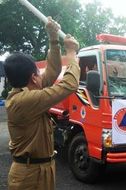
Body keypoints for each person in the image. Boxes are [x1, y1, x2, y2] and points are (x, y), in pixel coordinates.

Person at [4, 17, 80, 190]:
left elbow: (53, 71)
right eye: (39, 73)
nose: (42, 76)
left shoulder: (28, 94)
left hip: (40, 169)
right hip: (29, 175)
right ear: (33, 78)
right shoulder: (25, 100)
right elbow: (69, 85)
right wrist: (72, 54)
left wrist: (53, 39)